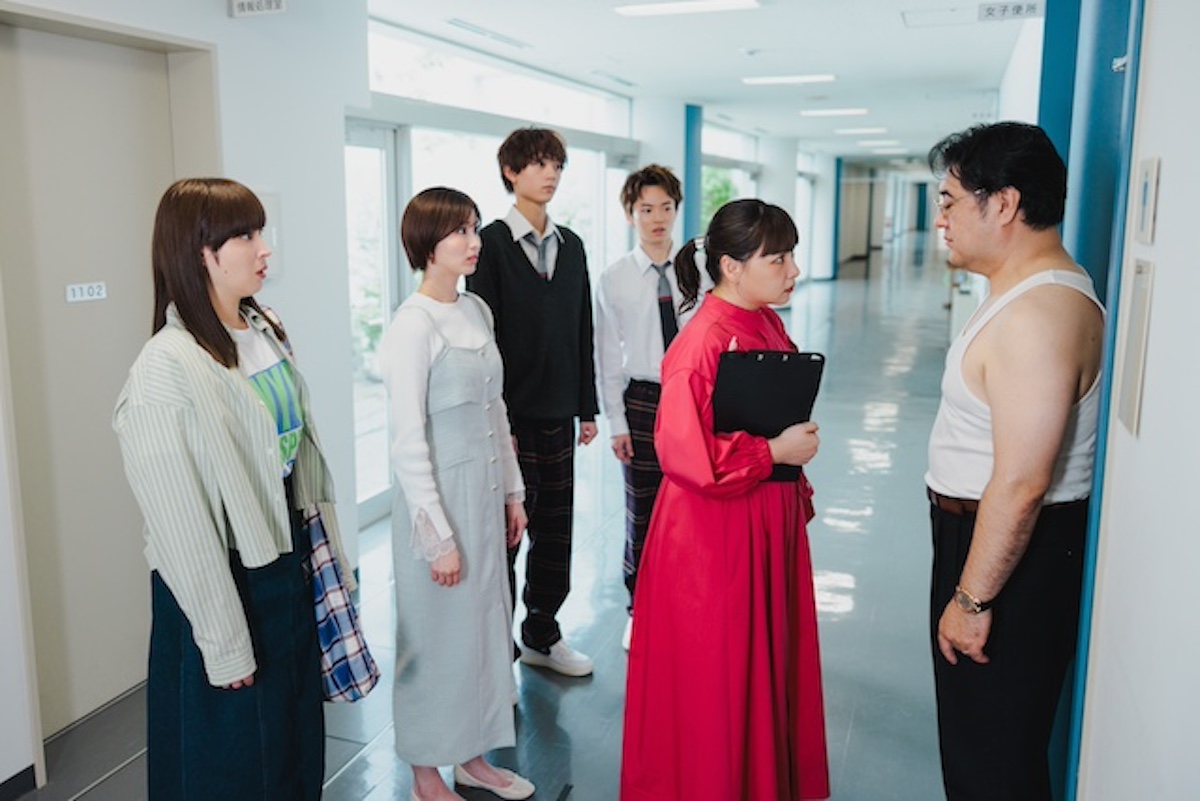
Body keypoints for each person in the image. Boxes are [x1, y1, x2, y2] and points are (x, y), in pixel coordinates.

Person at [113, 177, 343, 799]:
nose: (264, 249)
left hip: (282, 563)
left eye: (259, 231)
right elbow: (182, 527)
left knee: (294, 747)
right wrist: (225, 645)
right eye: (244, 235)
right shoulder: (165, 367)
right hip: (222, 582)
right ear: (199, 252)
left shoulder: (260, 328)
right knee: (233, 765)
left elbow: (295, 457)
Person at [621, 199, 830, 801]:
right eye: (779, 258)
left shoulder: (764, 322)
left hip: (761, 517)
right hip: (714, 535)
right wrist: (774, 452)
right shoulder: (702, 343)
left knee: (763, 664)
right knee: (720, 675)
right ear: (732, 267)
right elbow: (684, 456)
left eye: (792, 256)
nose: (793, 271)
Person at [925, 122, 1105, 801]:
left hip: (1009, 558)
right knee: (981, 745)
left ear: (1002, 203)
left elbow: (1024, 482)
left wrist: (971, 599)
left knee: (992, 762)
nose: (941, 220)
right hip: (988, 540)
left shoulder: (1038, 315)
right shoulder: (1023, 289)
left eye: (949, 200)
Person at [379, 187, 535, 801]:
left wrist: (513, 493)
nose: (474, 242)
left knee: (485, 629)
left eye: (474, 228)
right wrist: (437, 536)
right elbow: (406, 441)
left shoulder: (475, 311)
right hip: (438, 499)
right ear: (427, 244)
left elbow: (497, 409)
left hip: (486, 490)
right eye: (460, 232)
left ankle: (473, 756)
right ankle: (425, 771)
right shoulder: (410, 326)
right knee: (433, 637)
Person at [467, 126, 599, 677]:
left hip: (560, 415)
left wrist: (587, 407)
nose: (550, 174)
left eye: (557, 165)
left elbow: (582, 328)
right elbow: (483, 342)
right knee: (507, 536)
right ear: (510, 171)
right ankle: (497, 654)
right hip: (511, 421)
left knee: (556, 532)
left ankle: (542, 634)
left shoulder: (572, 246)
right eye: (540, 164)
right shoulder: (490, 246)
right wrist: (495, 422)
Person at [594, 164, 710, 650]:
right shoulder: (615, 278)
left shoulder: (701, 269)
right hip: (642, 399)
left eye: (666, 207)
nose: (657, 218)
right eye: (646, 209)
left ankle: (689, 605)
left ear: (677, 209)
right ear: (630, 214)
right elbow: (606, 355)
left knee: (697, 508)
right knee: (642, 511)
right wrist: (616, 422)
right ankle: (639, 608)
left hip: (696, 397)